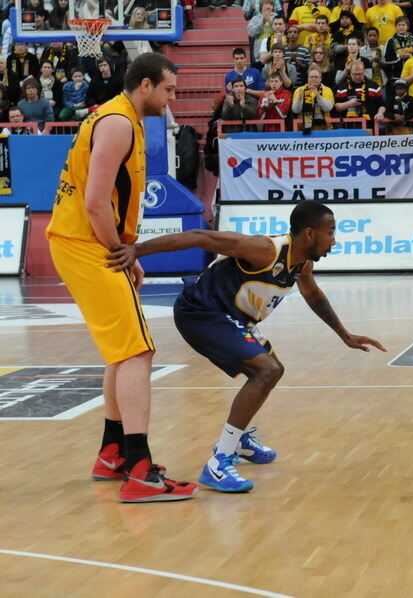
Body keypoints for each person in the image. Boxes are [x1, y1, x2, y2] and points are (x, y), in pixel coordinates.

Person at [106, 202, 387, 492]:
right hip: (200, 312)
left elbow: (312, 293)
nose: (334, 240)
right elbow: (201, 236)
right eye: (331, 232)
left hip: (233, 317)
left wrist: (344, 334)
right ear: (309, 234)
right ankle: (218, 462)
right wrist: (136, 251)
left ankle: (236, 438)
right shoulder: (264, 250)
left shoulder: (303, 261)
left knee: (271, 370)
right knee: (266, 370)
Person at [44, 53, 198, 503]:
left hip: (84, 242)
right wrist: (122, 252)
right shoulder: (118, 123)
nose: (172, 100)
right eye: (168, 90)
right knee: (138, 351)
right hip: (85, 243)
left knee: (121, 350)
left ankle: (113, 453)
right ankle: (140, 470)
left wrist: (123, 250)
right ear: (145, 85)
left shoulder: (117, 117)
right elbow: (95, 202)